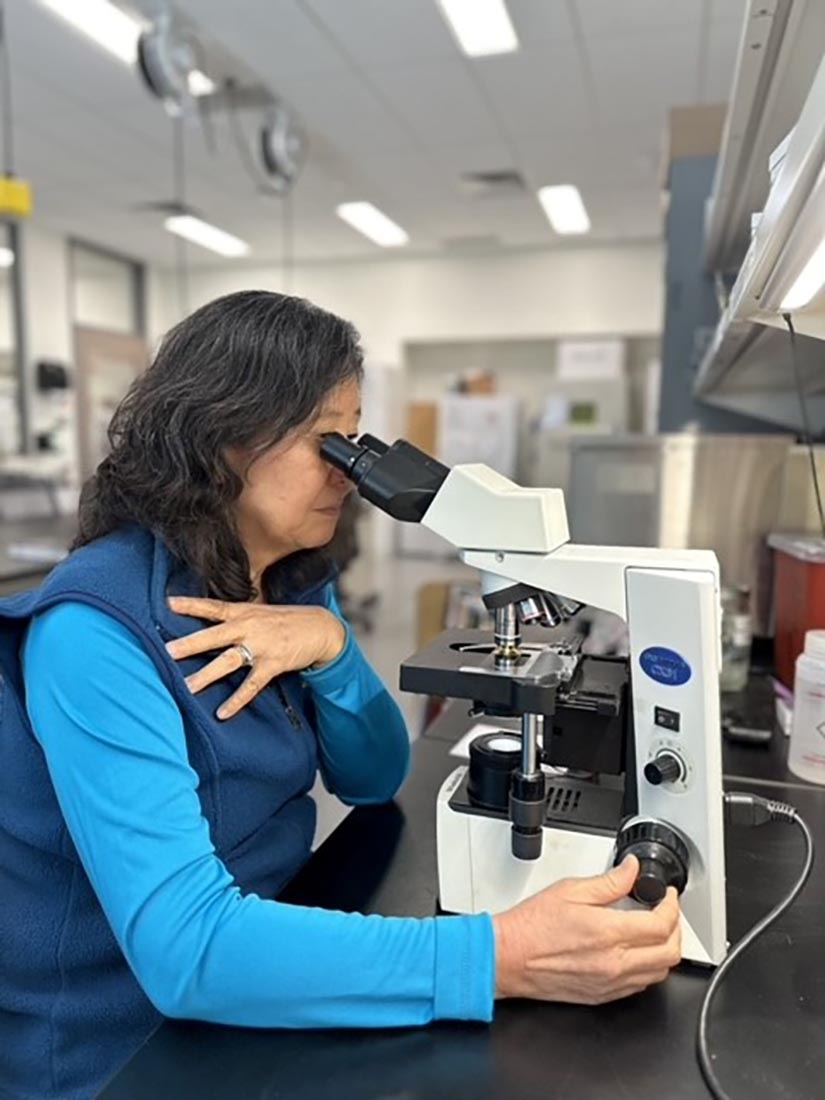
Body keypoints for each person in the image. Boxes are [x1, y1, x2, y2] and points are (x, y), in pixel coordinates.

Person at [0, 291, 680, 1100]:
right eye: (327, 437)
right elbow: (187, 954)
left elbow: (372, 776)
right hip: (119, 1045)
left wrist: (330, 650)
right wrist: (497, 956)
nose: (350, 473)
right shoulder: (93, 632)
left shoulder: (283, 576)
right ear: (222, 433)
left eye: (352, 439)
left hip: (260, 964)